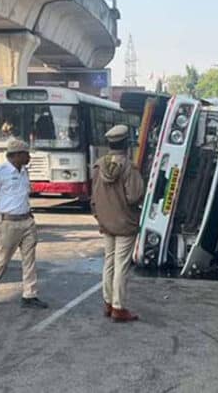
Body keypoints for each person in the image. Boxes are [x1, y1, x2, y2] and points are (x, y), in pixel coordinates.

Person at [0, 138, 47, 309]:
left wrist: (29, 214)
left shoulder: (24, 171)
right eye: (26, 154)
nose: (29, 157)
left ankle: (29, 294)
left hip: (26, 221)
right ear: (16, 155)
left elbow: (23, 195)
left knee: (29, 259)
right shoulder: (0, 171)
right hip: (9, 222)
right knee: (3, 259)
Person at [91, 124, 145, 322]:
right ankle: (119, 307)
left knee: (109, 262)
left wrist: (99, 216)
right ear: (126, 144)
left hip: (106, 223)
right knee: (121, 265)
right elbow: (134, 196)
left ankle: (108, 302)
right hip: (125, 223)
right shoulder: (129, 167)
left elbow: (94, 197)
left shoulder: (98, 166)